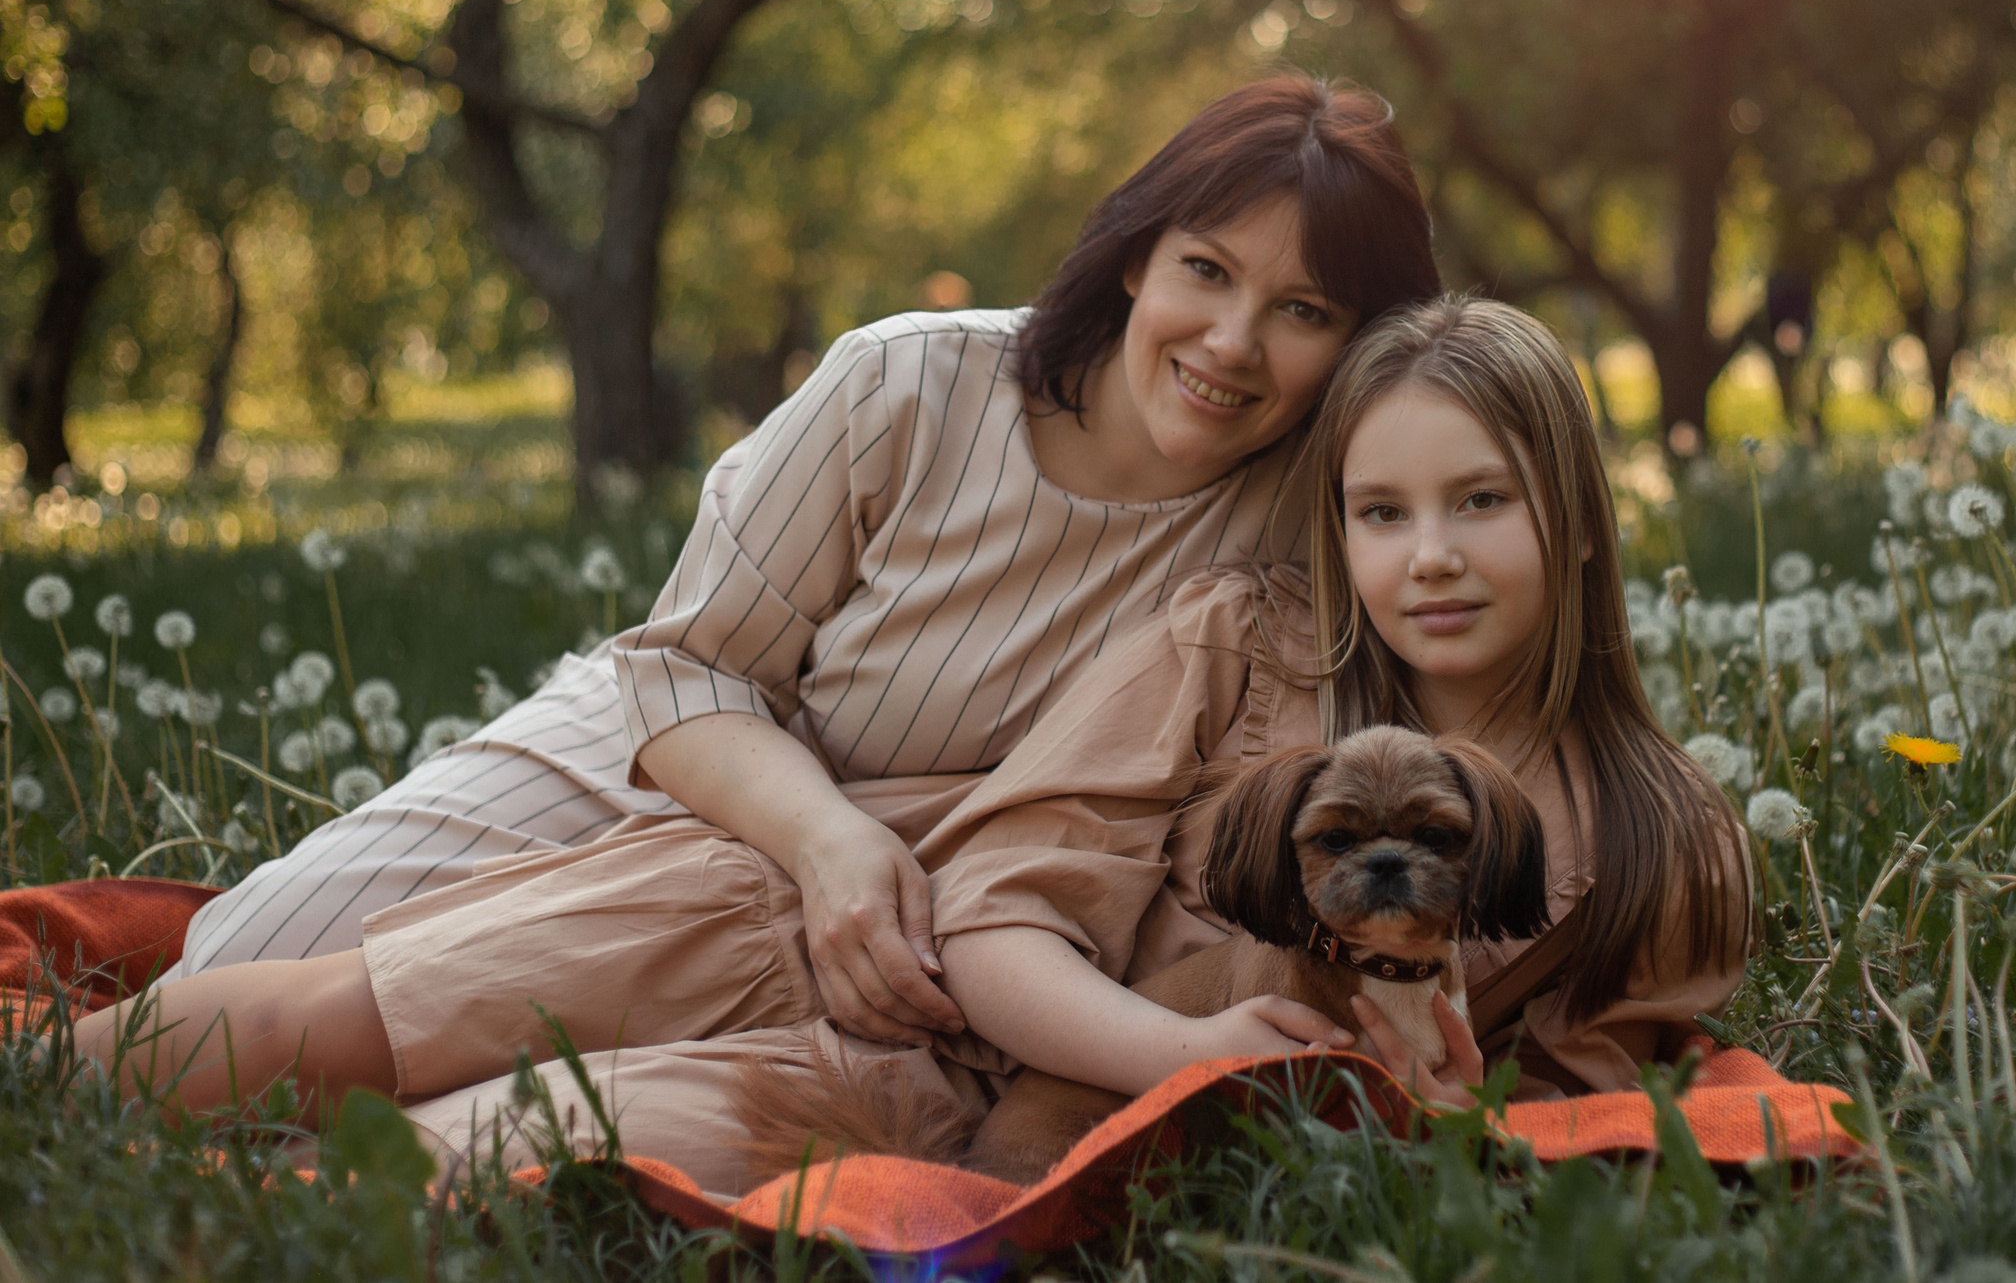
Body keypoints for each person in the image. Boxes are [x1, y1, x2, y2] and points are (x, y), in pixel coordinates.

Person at [88, 297, 1751, 1199]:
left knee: (469, 1159)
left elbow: (1579, 1112)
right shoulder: (1243, 645)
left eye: (1483, 502)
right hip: (803, 908)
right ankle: (56, 1099)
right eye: (1382, 510)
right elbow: (1001, 907)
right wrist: (1193, 1057)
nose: (1430, 556)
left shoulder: (1654, 842)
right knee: (343, 1018)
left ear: (1584, 526)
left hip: (909, 1089)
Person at [166, 73, 1441, 1058]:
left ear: (1357, 341)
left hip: (903, 896)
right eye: (1205, 273)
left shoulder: (1322, 515)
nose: (1230, 341)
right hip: (675, 761)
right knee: (222, 976)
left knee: (441, 1065)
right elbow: (688, 675)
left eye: (1302, 311)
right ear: (1135, 258)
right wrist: (820, 837)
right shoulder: (910, 384)